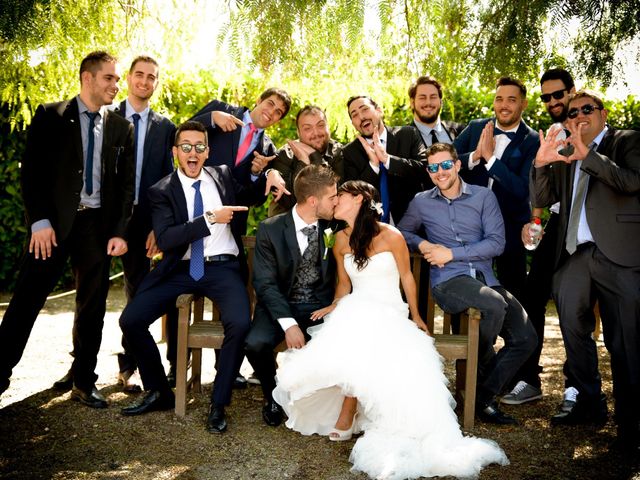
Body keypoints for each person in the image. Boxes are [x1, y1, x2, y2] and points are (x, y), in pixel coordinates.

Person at [273, 180, 509, 480]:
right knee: (352, 328)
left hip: (388, 308)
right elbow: (344, 286)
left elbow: (408, 278)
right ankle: (349, 409)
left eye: (340, 197)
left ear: (358, 199)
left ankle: (349, 412)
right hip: (356, 306)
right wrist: (333, 305)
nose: (334, 202)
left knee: (371, 333)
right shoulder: (341, 241)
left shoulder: (391, 235)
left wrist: (417, 315)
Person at [0, 51, 135, 408]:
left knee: (93, 305)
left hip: (96, 226)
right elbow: (32, 173)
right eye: (109, 78)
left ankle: (83, 380)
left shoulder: (123, 127)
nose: (115, 85)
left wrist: (119, 231)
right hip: (53, 225)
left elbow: (125, 188)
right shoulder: (51, 115)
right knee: (27, 300)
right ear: (87, 78)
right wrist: (39, 221)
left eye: (117, 79)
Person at [118, 121, 265, 434]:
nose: (193, 152)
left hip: (223, 267)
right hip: (180, 268)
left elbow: (251, 195)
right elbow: (167, 238)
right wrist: (209, 218)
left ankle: (218, 403)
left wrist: (261, 175)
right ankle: (159, 389)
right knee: (131, 320)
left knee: (239, 323)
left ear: (208, 151)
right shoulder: (161, 191)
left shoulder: (222, 175)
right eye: (186, 146)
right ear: (175, 152)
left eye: (200, 146)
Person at [531, 90, 640, 452]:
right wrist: (542, 163)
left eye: (586, 109)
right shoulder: (565, 153)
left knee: (624, 341)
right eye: (572, 112)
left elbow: (632, 182)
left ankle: (631, 423)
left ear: (603, 114)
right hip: (576, 255)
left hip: (620, 256)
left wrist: (588, 156)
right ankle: (590, 402)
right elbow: (542, 200)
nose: (578, 115)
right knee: (571, 324)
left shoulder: (626, 141)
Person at [399, 143, 537, 425]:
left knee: (526, 339)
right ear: (428, 171)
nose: (441, 172)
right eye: (434, 167)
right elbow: (402, 231)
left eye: (446, 165)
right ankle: (481, 385)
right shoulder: (421, 201)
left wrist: (451, 253)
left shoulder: (484, 197)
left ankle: (480, 395)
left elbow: (496, 243)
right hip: (449, 282)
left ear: (457, 165)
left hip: (486, 279)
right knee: (493, 303)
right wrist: (423, 242)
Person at [192, 88, 291, 386]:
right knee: (182, 290)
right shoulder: (222, 110)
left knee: (232, 297)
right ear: (260, 101)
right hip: (195, 213)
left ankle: (228, 369)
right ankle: (176, 365)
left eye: (277, 113)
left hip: (232, 228)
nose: (270, 113)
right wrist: (211, 118)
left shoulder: (268, 147)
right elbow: (182, 135)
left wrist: (255, 175)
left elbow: (253, 200)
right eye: (270, 104)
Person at [501, 68, 583, 408]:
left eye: (558, 94)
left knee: (573, 306)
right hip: (559, 222)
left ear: (572, 91)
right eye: (546, 96)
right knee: (531, 298)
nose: (552, 101)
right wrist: (535, 220)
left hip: (587, 226)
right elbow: (544, 195)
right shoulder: (551, 133)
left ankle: (576, 387)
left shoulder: (589, 126)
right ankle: (528, 380)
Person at [245, 165, 338, 427]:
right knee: (255, 343)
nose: (336, 200)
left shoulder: (335, 226)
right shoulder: (270, 229)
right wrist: (289, 323)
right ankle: (272, 395)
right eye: (332, 196)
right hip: (279, 306)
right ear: (312, 201)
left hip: (320, 307)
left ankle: (319, 400)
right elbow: (264, 283)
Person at [114, 55, 177, 391]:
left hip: (148, 221)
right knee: (92, 294)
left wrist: (158, 225)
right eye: (139, 75)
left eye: (151, 77)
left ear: (156, 83)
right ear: (129, 78)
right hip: (112, 219)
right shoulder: (107, 118)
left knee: (139, 291)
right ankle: (81, 369)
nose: (144, 81)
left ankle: (132, 364)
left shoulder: (164, 127)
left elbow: (167, 179)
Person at [454, 77, 539, 302]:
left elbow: (522, 189)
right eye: (499, 99)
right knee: (467, 291)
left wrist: (491, 160)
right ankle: (470, 339)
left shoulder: (532, 141)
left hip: (510, 229)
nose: (504, 105)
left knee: (514, 295)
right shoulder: (475, 128)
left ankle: (515, 338)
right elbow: (447, 162)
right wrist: (475, 156)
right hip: (469, 227)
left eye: (511, 100)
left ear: (524, 104)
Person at [342, 95, 430, 225]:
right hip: (375, 228)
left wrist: (388, 160)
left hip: (415, 221)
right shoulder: (350, 152)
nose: (361, 117)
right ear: (353, 124)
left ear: (379, 110)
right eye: (354, 115)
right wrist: (373, 166)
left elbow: (425, 170)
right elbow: (352, 195)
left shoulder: (408, 134)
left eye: (365, 109)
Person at [268, 105, 343, 216]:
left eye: (320, 125)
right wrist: (303, 162)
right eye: (307, 128)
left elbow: (336, 195)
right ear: (298, 132)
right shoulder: (285, 155)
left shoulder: (338, 152)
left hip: (330, 221)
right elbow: (289, 202)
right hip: (291, 222)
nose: (316, 133)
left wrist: (315, 158)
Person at [408, 75, 464, 148]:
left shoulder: (460, 131)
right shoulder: (402, 138)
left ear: (441, 102)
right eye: (422, 98)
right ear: (412, 103)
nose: (428, 102)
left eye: (433, 97)